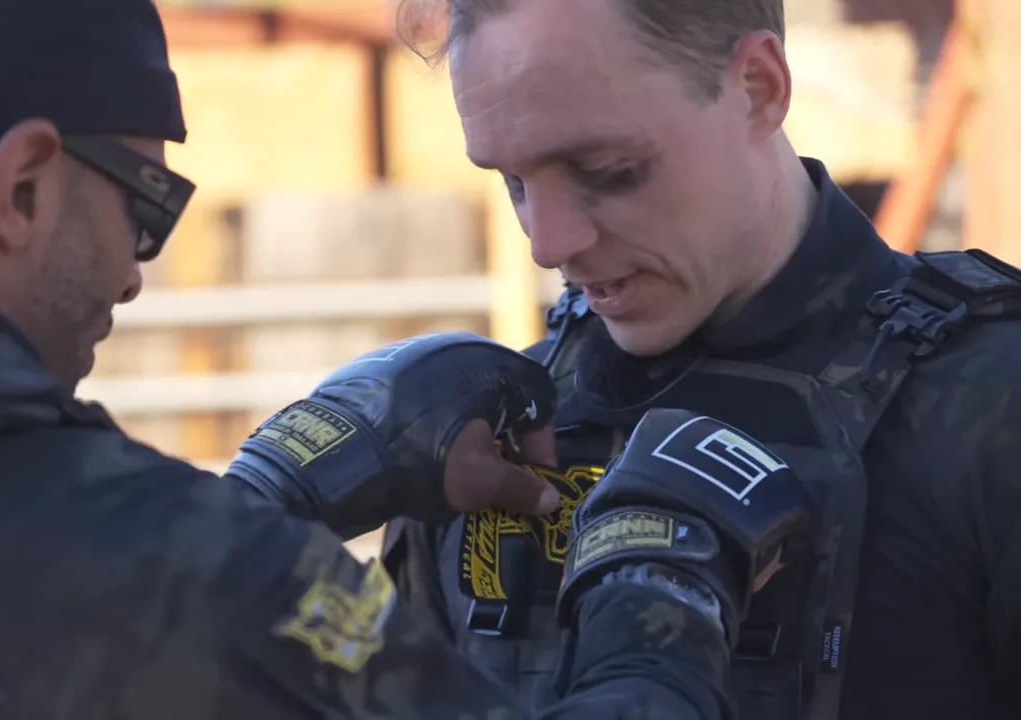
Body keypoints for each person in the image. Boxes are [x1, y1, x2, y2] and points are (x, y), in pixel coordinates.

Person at [0, 0, 814, 717]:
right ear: (22, 185)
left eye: (608, 169)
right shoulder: (135, 558)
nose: (131, 277)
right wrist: (652, 598)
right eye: (147, 209)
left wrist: (264, 501)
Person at [382, 0, 1021, 718]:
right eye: (515, 183)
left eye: (605, 168)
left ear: (758, 86)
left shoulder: (990, 412)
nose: (547, 244)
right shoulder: (482, 438)